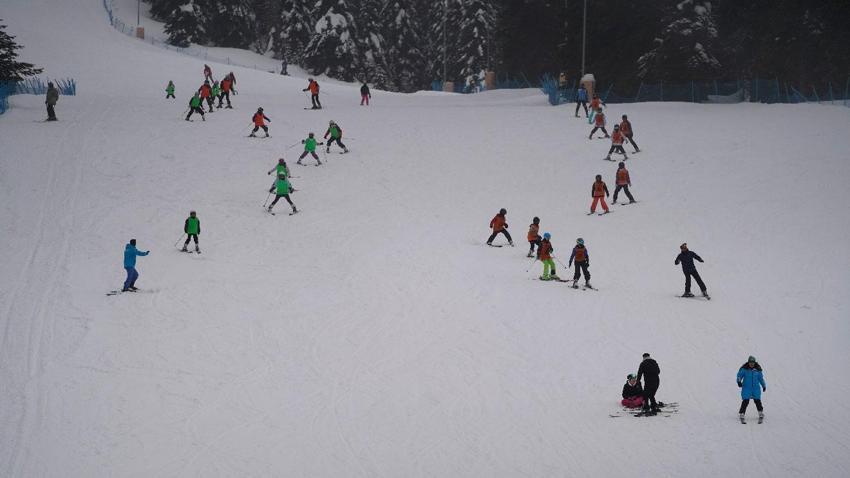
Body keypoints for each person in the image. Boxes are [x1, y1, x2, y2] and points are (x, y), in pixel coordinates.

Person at [737, 356, 766, 422]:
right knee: (745, 401)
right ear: (748, 362)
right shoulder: (744, 369)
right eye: (750, 362)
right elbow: (739, 376)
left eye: (753, 362)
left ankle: (760, 412)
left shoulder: (758, 370)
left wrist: (764, 385)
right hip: (746, 388)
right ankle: (742, 413)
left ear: (754, 363)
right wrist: (739, 381)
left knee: (757, 401)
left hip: (756, 388)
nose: (751, 364)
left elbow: (761, 379)